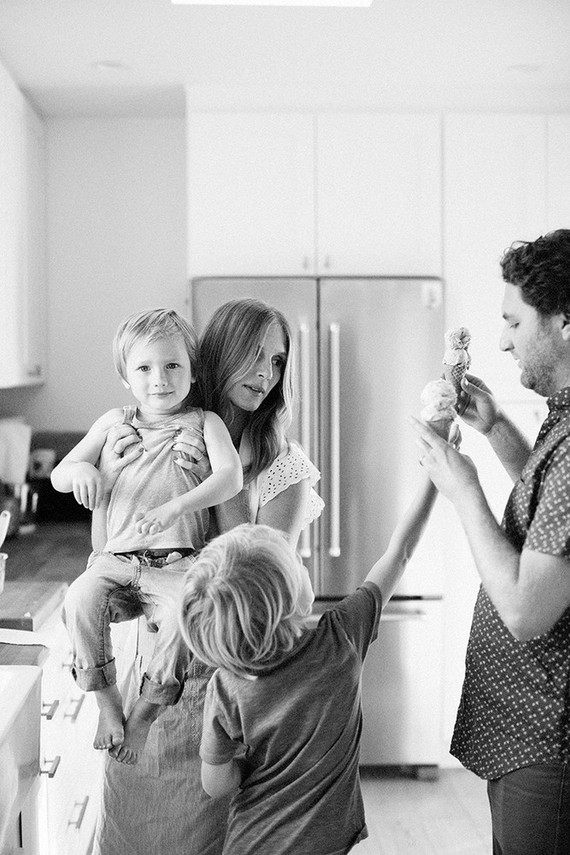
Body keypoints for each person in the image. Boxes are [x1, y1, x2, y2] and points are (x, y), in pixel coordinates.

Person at [92, 298, 324, 855]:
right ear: (215, 357)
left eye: (277, 362)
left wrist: (219, 495)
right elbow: (106, 556)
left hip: (232, 693)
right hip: (153, 679)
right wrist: (106, 473)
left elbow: (258, 593)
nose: (267, 376)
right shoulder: (147, 437)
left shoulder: (282, 465)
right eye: (254, 357)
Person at [176, 447, 442, 855]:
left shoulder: (227, 687)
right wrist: (434, 475)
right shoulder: (341, 639)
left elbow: (215, 783)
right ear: (290, 596)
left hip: (252, 842)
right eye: (295, 563)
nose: (302, 563)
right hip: (324, 841)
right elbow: (399, 553)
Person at [411, 229, 570, 854]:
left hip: (547, 738)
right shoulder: (562, 420)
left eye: (513, 321)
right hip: (529, 732)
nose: (501, 339)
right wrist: (498, 430)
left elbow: (528, 612)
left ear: (563, 322)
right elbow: (553, 519)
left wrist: (464, 489)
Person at [51, 308, 243, 765]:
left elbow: (231, 478)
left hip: (179, 562)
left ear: (193, 373)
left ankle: (145, 711)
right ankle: (107, 703)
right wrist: (82, 470)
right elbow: (60, 474)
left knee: (186, 615)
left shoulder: (205, 422)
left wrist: (177, 505)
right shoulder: (114, 421)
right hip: (116, 561)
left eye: (173, 365)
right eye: (144, 368)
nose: (160, 378)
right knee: (79, 600)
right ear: (125, 378)